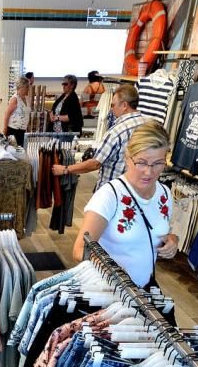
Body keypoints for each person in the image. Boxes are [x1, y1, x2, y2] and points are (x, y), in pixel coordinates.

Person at [73, 120, 179, 288]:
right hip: (108, 291)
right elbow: (80, 250)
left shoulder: (164, 194)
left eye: (158, 163)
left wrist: (172, 241)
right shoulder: (109, 196)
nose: (149, 171)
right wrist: (113, 271)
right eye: (142, 162)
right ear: (128, 158)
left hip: (142, 292)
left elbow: (159, 234)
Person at [52, 84, 146, 190]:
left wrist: (65, 169)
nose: (111, 109)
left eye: (113, 105)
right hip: (137, 187)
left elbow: (95, 163)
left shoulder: (117, 132)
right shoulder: (147, 124)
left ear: (124, 105)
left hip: (112, 190)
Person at [3, 76, 30, 146]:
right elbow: (6, 114)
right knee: (13, 152)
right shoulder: (15, 99)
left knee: (20, 151)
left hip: (22, 131)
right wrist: (5, 129)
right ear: (21, 87)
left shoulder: (26, 98)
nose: (28, 89)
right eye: (27, 87)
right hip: (13, 130)